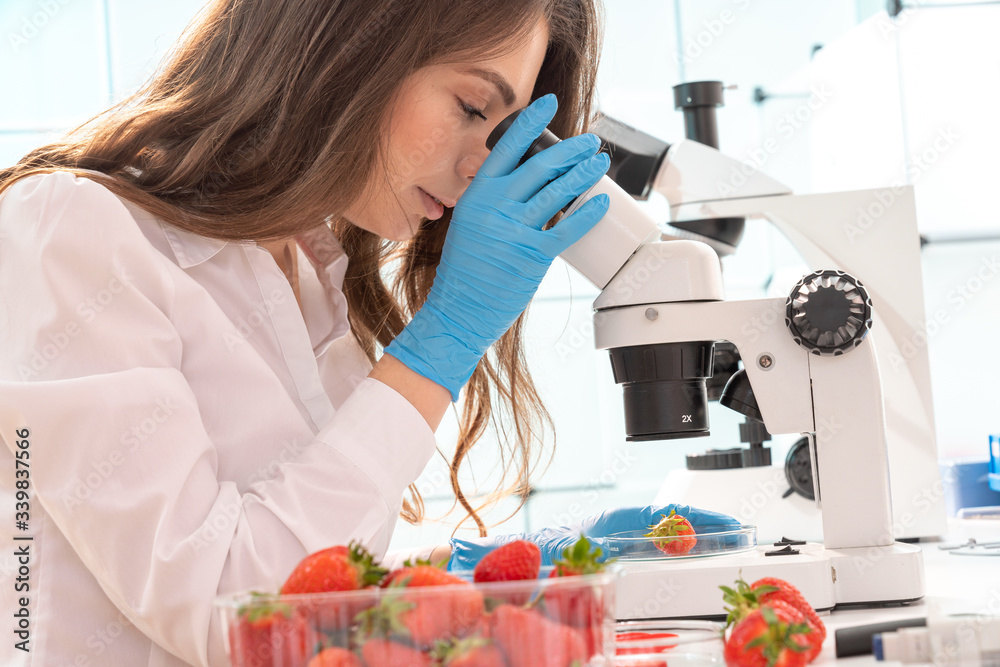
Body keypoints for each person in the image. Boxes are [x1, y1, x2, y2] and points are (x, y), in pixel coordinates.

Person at [0, 1, 735, 664]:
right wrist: (440, 342)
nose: (481, 166)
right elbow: (237, 614)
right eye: (474, 106)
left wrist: (503, 572)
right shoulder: (67, 232)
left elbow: (311, 561)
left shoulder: (309, 265)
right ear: (346, 47)